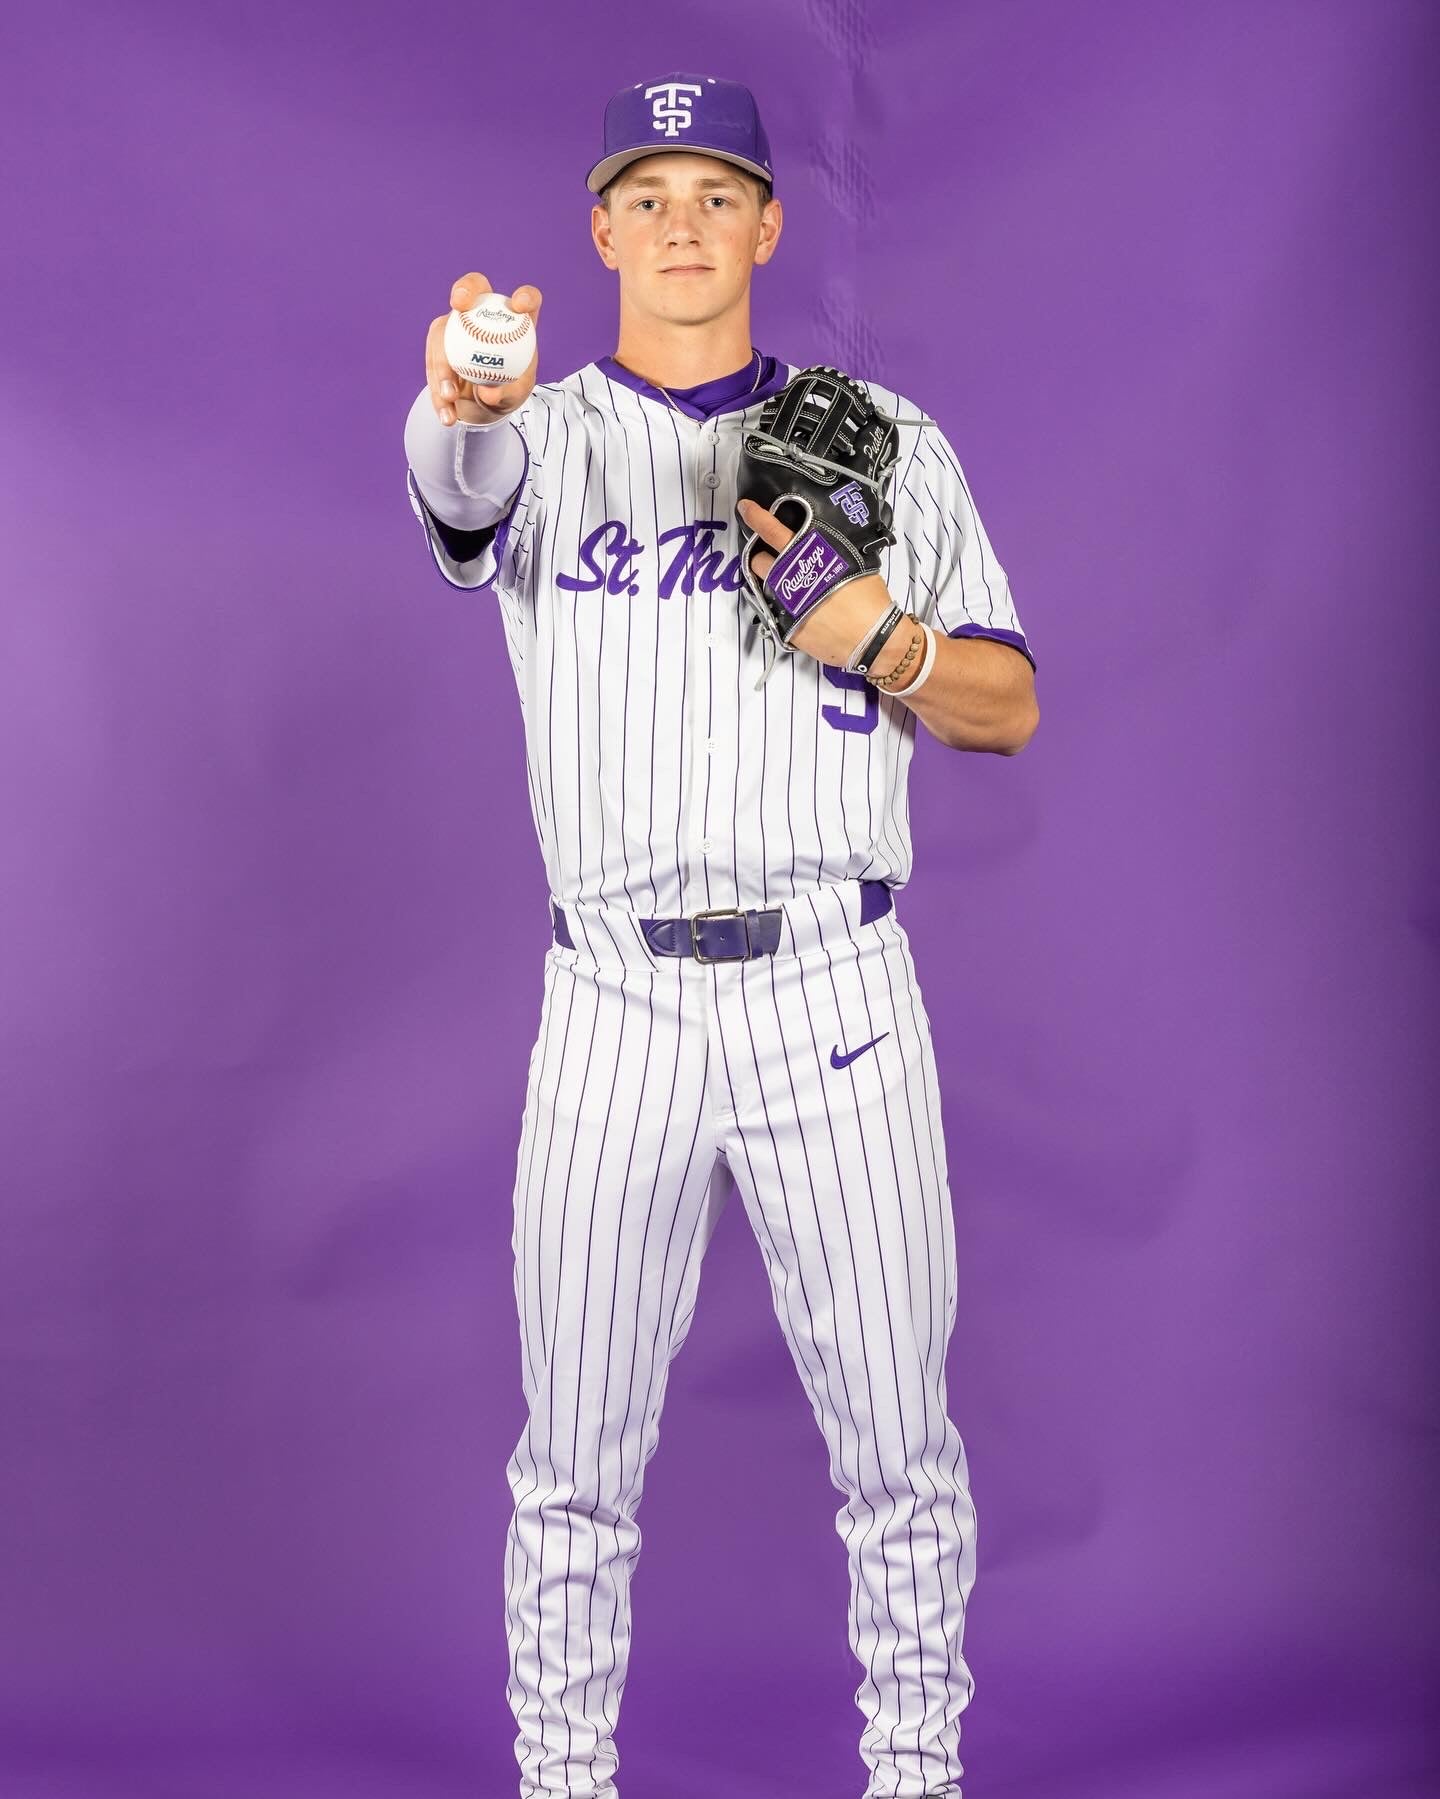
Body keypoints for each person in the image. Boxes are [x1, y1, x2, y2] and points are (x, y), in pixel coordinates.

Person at [402, 71, 1037, 1799]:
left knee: (900, 1447)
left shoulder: (882, 439)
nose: (681, 224)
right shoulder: (540, 436)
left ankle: (918, 1778)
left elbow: (1007, 705)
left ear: (767, 225)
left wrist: (882, 639)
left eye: (714, 194)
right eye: (648, 196)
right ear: (602, 233)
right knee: (575, 1462)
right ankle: (562, 1782)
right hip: (613, 1000)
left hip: (837, 995)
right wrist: (463, 395)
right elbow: (456, 480)